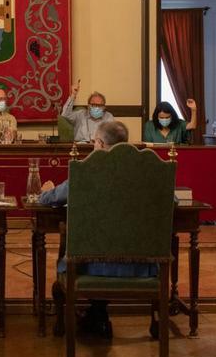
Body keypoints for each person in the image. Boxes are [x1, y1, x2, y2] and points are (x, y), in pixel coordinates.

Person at [39, 121, 153, 338]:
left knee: (95, 246)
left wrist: (48, 190)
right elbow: (172, 200)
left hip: (91, 266)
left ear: (99, 143)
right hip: (140, 265)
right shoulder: (148, 173)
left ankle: (96, 315)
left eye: (93, 143)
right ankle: (97, 315)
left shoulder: (87, 171)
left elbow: (49, 199)